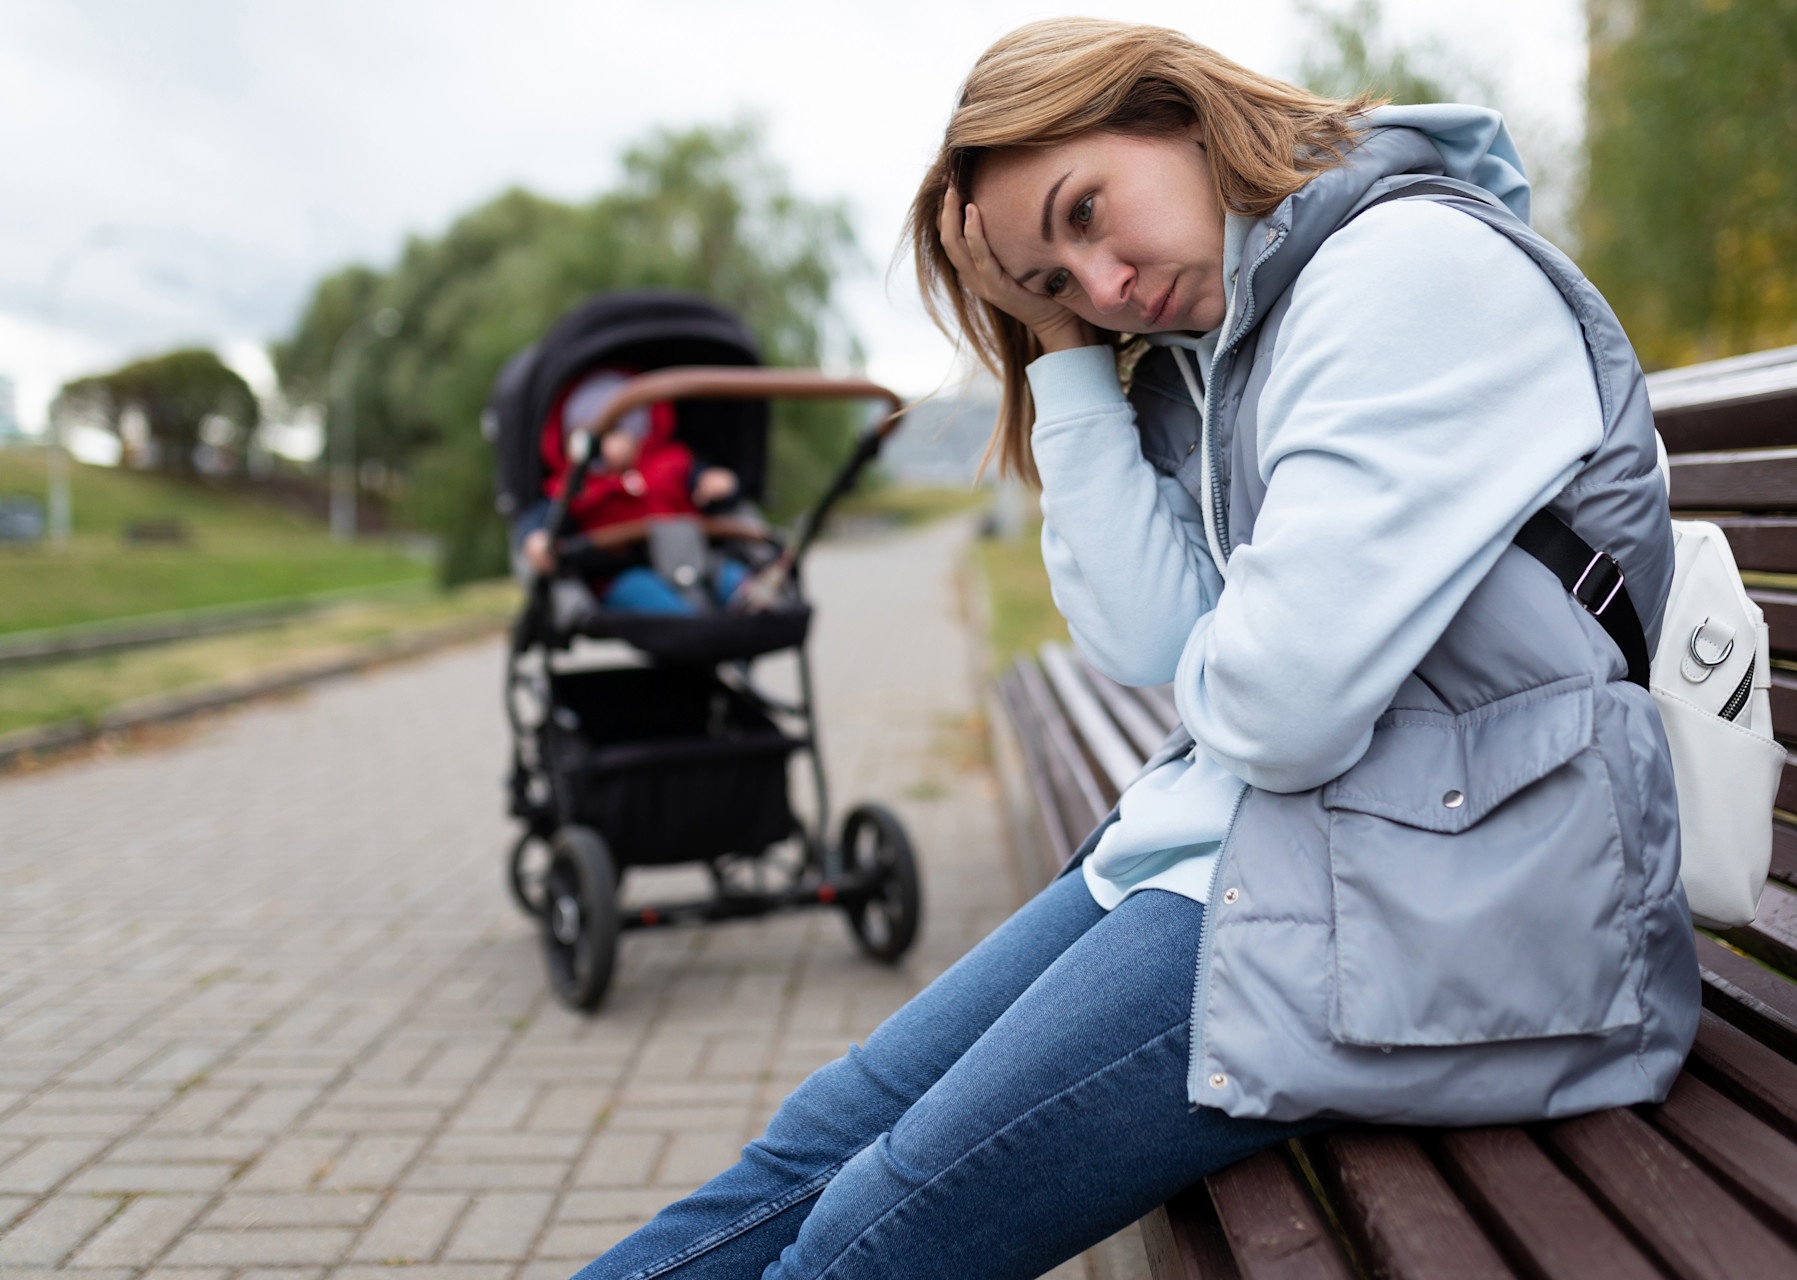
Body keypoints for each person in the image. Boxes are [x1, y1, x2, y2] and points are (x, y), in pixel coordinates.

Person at [572, 18, 1697, 1280]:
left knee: (858, 1242)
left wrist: (1242, 655)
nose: (1102, 284)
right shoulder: (1216, 343)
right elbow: (1146, 635)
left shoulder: (1406, 275)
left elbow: (1277, 707)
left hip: (1448, 888)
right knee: (807, 1150)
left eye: (1087, 210)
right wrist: (1061, 358)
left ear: (1172, 107)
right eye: (1051, 278)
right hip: (1277, 843)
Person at [517, 369, 747, 613]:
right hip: (622, 571)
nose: (604, 444)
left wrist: (717, 483)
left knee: (731, 576)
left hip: (695, 557)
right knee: (648, 595)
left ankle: (756, 603)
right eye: (592, 436)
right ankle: (694, 627)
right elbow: (544, 517)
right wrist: (535, 537)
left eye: (613, 431)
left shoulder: (672, 461)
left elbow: (709, 486)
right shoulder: (575, 485)